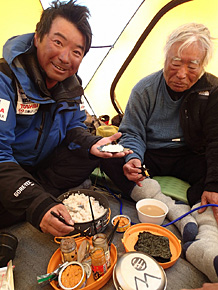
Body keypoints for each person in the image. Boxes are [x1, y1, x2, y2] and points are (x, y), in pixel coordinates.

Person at [0, 0, 131, 237]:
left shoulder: (71, 86)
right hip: (9, 167)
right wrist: (37, 203)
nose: (64, 57)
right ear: (38, 37)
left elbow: (73, 127)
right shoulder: (5, 80)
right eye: (58, 42)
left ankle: (34, 194)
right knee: (21, 199)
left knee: (90, 156)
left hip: (41, 167)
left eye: (76, 51)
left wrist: (92, 144)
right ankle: (33, 198)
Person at [101, 22, 218, 282]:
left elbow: (215, 140)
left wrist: (213, 182)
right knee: (110, 157)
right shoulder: (145, 89)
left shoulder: (212, 91)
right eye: (175, 63)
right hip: (151, 154)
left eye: (192, 65)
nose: (181, 74)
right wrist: (133, 158)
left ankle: (206, 240)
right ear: (165, 57)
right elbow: (131, 132)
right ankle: (175, 213)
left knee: (215, 175)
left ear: (203, 65)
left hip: (190, 154)